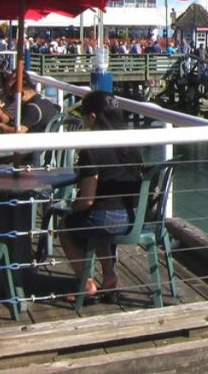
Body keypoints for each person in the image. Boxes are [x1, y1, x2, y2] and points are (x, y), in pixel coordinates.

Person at [59, 91, 144, 304]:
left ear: (93, 117)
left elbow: (87, 200)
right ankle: (109, 276)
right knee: (96, 224)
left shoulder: (92, 149)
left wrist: (72, 206)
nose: (83, 121)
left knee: (65, 227)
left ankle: (86, 283)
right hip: (135, 216)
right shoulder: (132, 143)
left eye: (84, 116)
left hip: (109, 219)